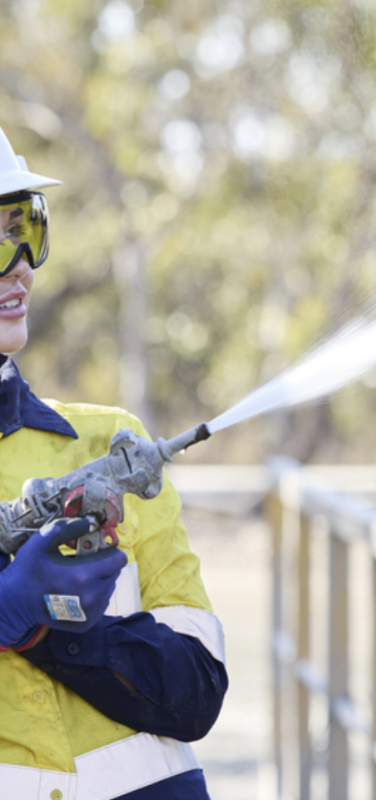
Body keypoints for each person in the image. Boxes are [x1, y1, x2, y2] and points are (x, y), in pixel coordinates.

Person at [0, 125, 227, 799]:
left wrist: (54, 628)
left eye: (27, 230)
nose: (18, 266)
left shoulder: (112, 448)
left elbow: (197, 691)